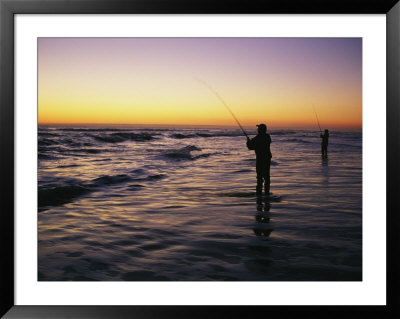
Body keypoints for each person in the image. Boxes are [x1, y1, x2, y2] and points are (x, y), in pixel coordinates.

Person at [246, 124, 272, 197]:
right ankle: (267, 193)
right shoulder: (268, 137)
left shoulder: (257, 138)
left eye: (258, 128)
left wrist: (248, 141)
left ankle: (259, 194)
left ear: (260, 130)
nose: (257, 130)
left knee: (259, 178)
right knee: (267, 177)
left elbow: (251, 147)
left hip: (260, 159)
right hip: (267, 159)